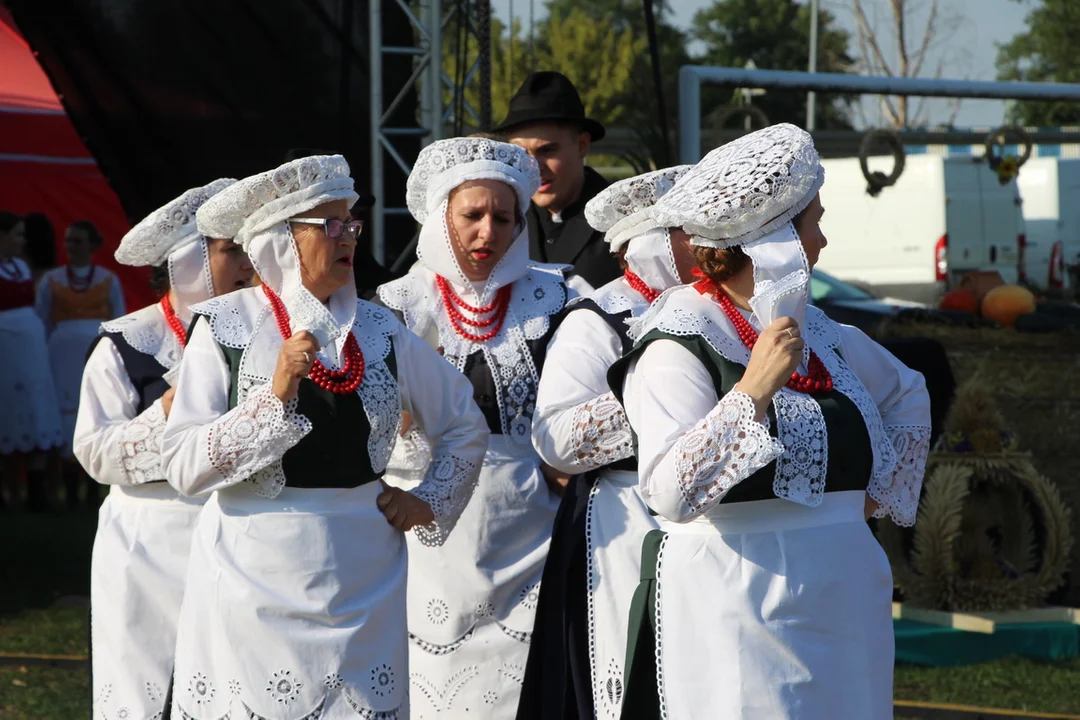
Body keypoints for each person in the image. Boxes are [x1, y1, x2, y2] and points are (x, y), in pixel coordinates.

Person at [609, 124, 932, 720]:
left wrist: (873, 498)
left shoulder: (825, 336)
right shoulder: (679, 342)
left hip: (844, 594)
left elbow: (908, 391)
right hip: (739, 597)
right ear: (774, 239)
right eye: (813, 224)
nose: (822, 241)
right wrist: (754, 388)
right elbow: (670, 493)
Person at [160, 154, 487, 719]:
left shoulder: (381, 328)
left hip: (365, 575)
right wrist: (276, 392)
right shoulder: (226, 326)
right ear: (281, 241)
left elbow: (463, 423)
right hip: (254, 572)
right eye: (331, 226)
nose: (348, 239)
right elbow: (185, 467)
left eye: (352, 225)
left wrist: (427, 501)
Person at [378, 136, 569, 718]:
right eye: (472, 215)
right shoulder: (395, 307)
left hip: (531, 527)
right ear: (442, 218)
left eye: (503, 217)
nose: (488, 232)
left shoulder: (556, 297)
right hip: (429, 524)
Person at [519, 165, 694, 720]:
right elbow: (556, 438)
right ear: (652, 244)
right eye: (692, 233)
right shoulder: (600, 319)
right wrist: (658, 397)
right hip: (625, 521)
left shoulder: (727, 312)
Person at [73, 179, 251, 719]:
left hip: (238, 536)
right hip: (147, 546)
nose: (248, 262)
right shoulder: (127, 343)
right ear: (190, 259)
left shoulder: (261, 334)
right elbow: (96, 454)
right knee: (146, 690)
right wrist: (173, 407)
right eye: (231, 249)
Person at [495, 71, 617, 290]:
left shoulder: (621, 221)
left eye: (547, 150)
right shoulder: (503, 219)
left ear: (582, 145)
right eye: (522, 153)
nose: (534, 166)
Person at [36, 220, 125, 505]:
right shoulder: (52, 280)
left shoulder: (109, 279)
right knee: (66, 413)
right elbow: (42, 320)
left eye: (77, 241)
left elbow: (119, 319)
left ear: (91, 245)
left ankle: (92, 486)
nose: (70, 247)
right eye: (68, 241)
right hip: (61, 356)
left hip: (95, 351)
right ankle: (69, 487)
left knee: (96, 408)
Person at [0, 211, 63, 510]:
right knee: (7, 409)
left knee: (35, 407)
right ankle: (10, 491)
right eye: (17, 234)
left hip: (31, 348)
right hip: (5, 347)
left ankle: (37, 490)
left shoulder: (21, 267)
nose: (22, 241)